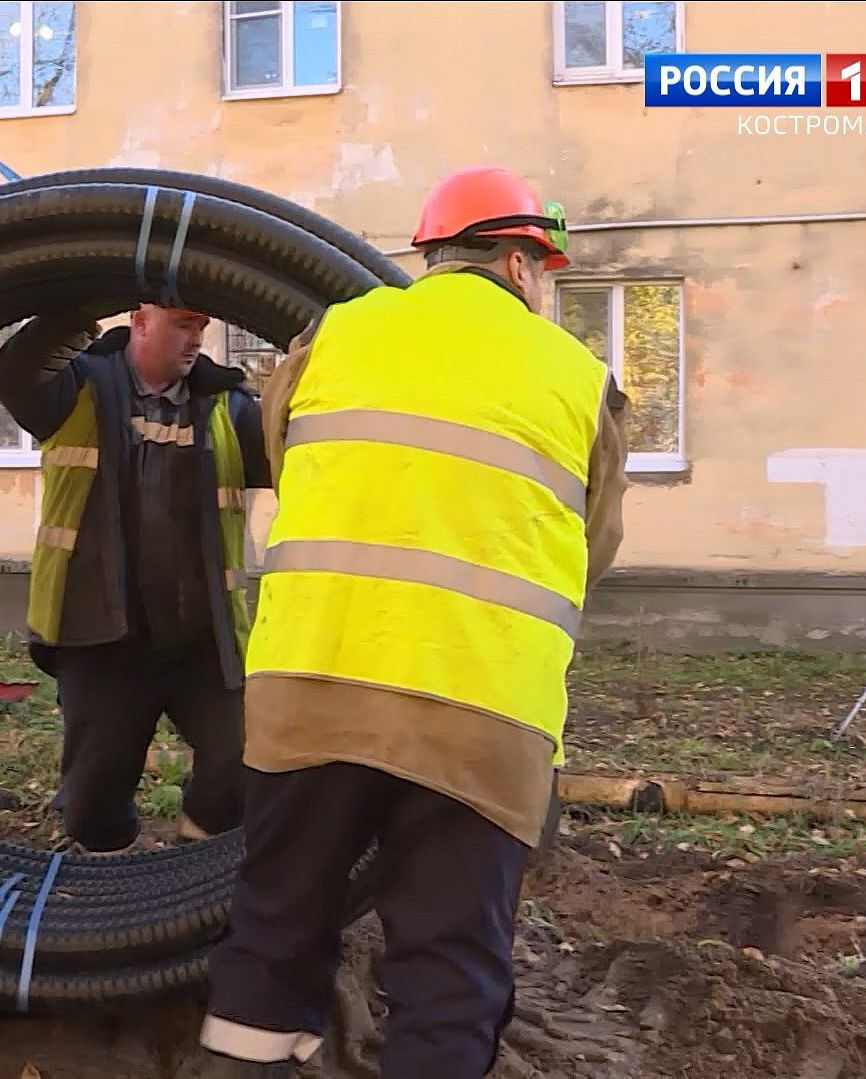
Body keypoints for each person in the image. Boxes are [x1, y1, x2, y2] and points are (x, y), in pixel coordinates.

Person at [183, 167, 631, 1078]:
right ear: (516, 263)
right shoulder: (578, 379)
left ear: (431, 255)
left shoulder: (332, 334)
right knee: (448, 967)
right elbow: (597, 539)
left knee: (271, 936)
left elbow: (289, 453)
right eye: (543, 269)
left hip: (312, 687)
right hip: (478, 712)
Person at [0, 303, 272, 853]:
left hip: (201, 643)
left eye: (201, 328)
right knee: (91, 802)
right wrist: (83, 301)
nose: (196, 340)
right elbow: (14, 372)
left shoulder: (227, 407)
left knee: (243, 759)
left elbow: (298, 446)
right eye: (183, 325)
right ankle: (120, 888)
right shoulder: (76, 390)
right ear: (140, 322)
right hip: (103, 637)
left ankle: (193, 871)